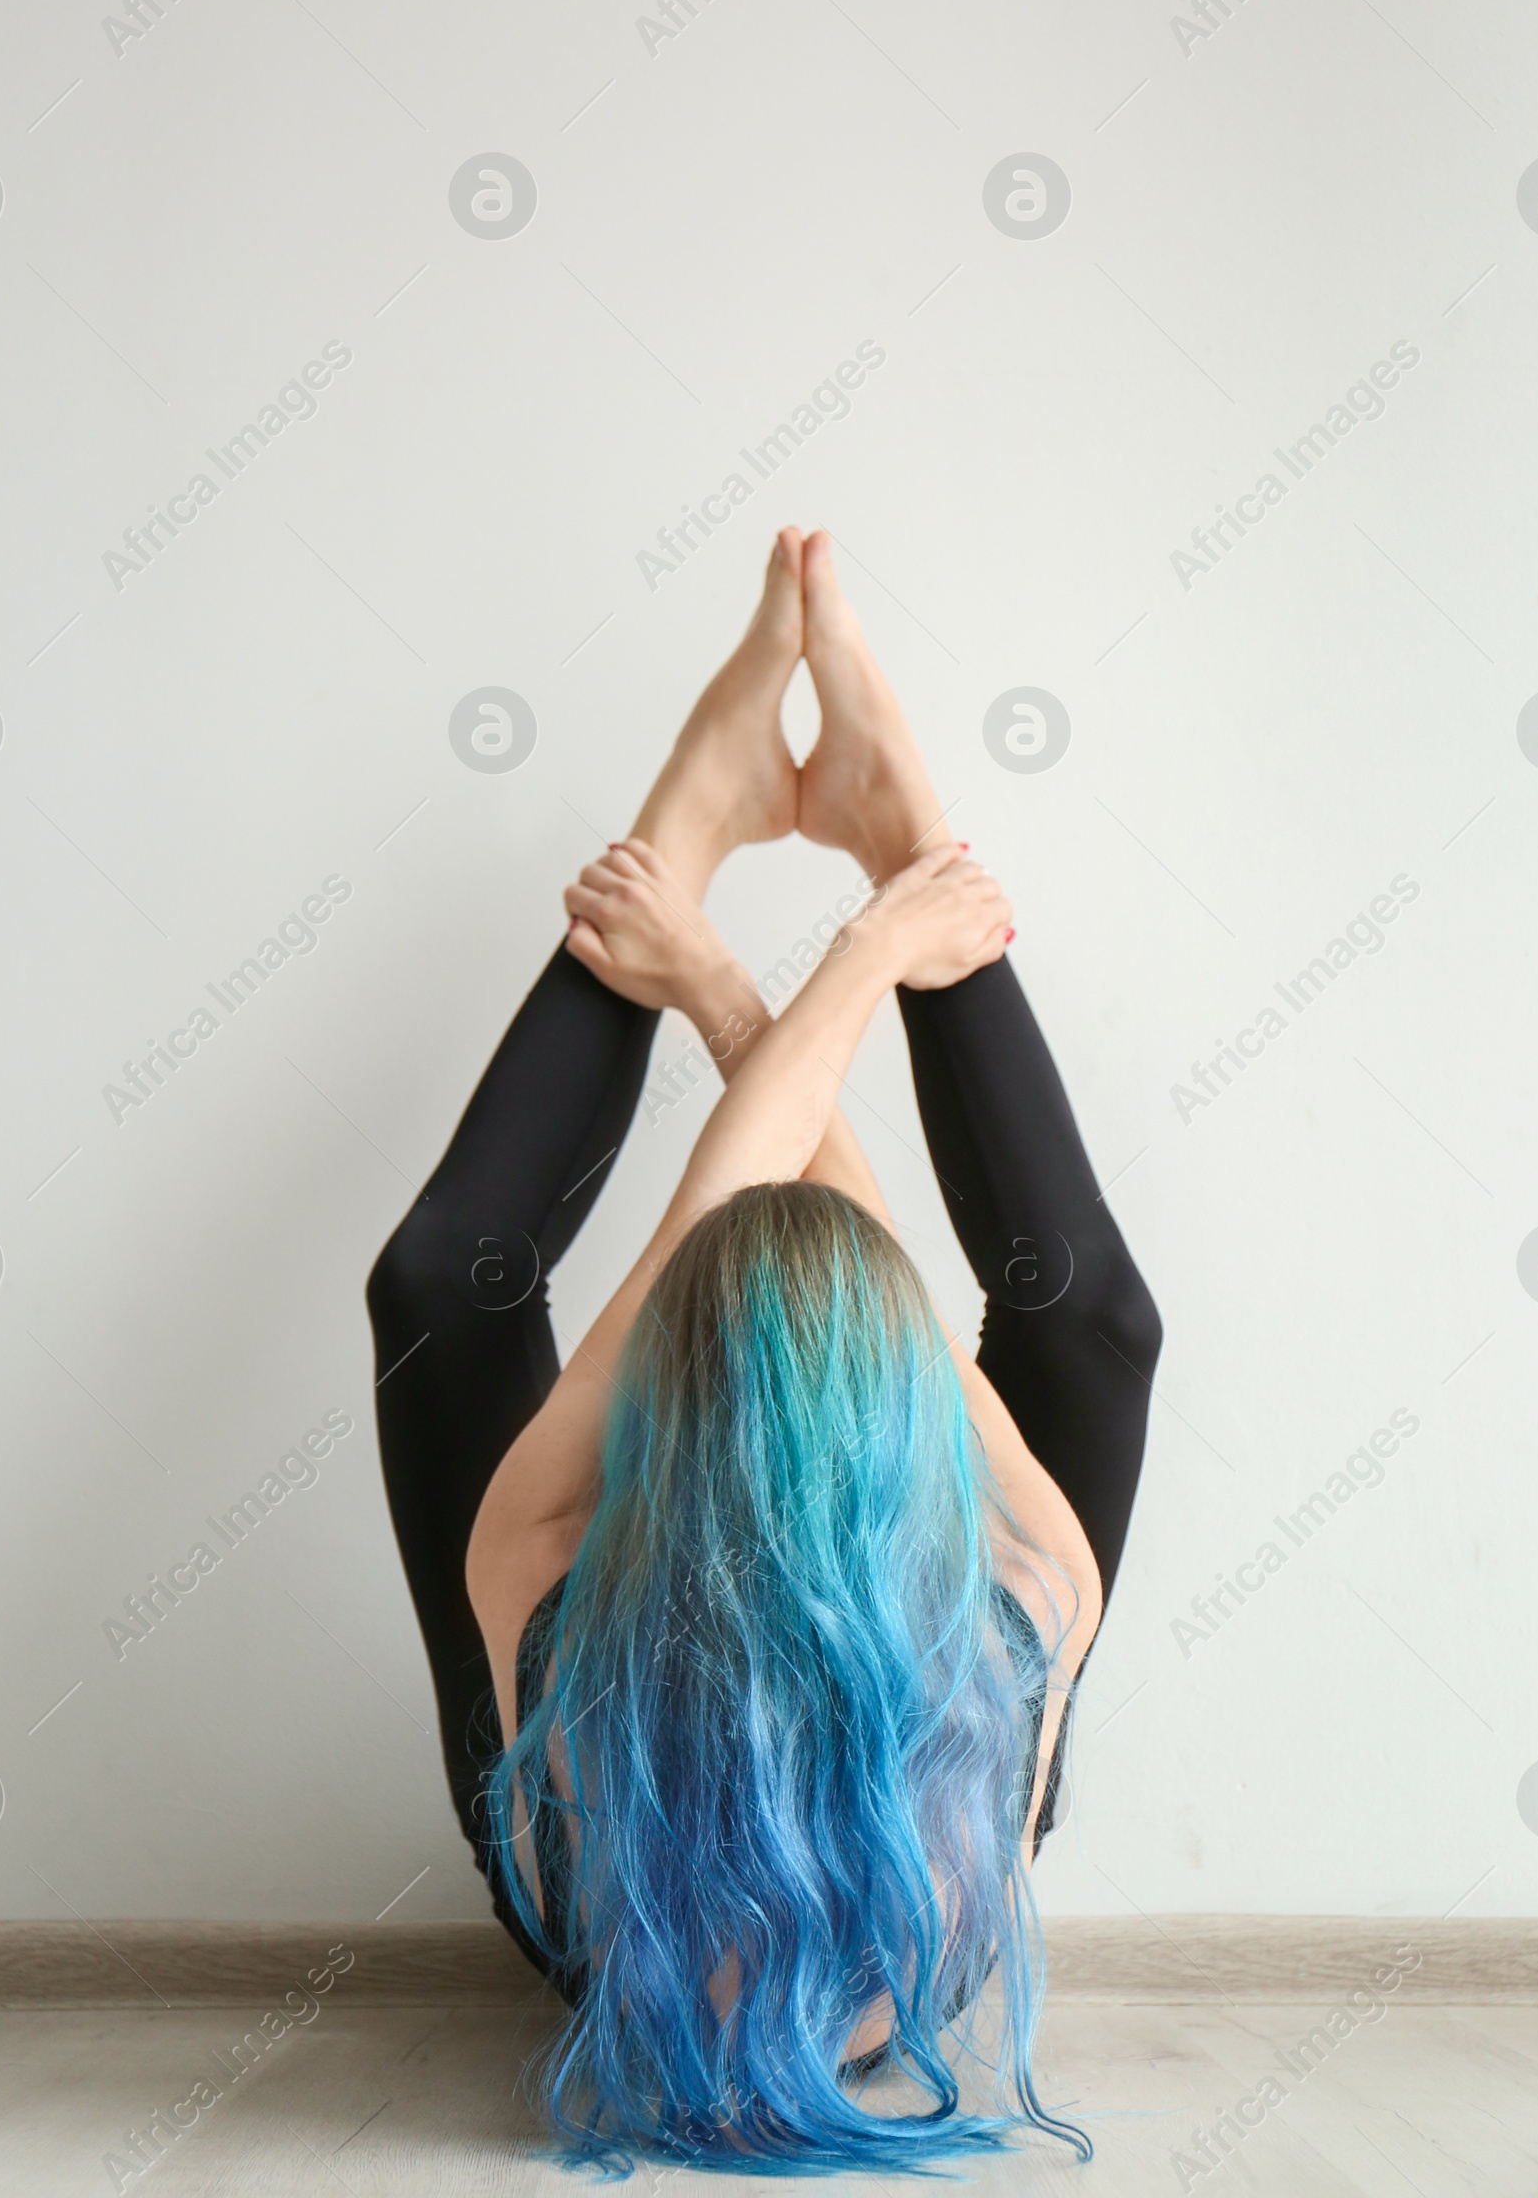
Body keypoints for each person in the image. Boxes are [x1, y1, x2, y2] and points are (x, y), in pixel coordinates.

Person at [366, 528, 1162, 2173]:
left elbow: (709, 1220)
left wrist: (727, 973)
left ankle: (698, 829)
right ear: (917, 1422)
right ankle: (908, 844)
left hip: (681, 1875)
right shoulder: (1031, 1601)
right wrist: (867, 943)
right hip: (739, 1876)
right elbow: (886, 1294)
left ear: (661, 1385)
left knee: (439, 1297)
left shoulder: (547, 1585)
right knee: (1095, 1331)